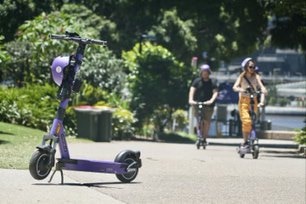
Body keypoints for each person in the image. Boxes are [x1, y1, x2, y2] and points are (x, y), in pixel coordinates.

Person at [232, 58, 267, 147]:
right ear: (246, 67)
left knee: (253, 121)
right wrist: (241, 89)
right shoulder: (242, 76)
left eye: (253, 67)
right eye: (250, 67)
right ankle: (245, 141)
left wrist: (263, 90)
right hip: (243, 100)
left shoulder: (256, 76)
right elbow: (235, 87)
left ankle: (252, 138)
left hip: (253, 100)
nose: (252, 69)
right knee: (246, 121)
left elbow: (261, 86)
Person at [188, 64, 218, 144]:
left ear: (209, 72)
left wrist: (211, 100)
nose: (205, 73)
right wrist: (191, 100)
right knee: (199, 120)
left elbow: (215, 93)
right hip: (197, 103)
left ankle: (204, 138)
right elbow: (192, 90)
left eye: (206, 72)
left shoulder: (213, 82)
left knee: (206, 121)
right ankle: (199, 135)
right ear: (201, 73)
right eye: (203, 72)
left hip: (208, 105)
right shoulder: (197, 81)